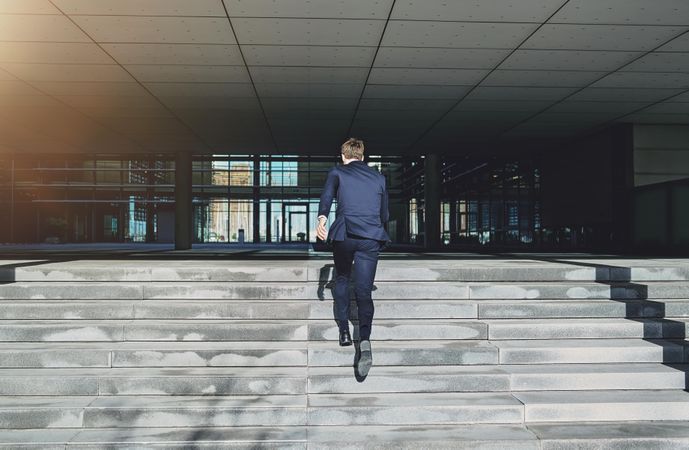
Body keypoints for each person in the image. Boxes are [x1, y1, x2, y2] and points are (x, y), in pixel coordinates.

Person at [316, 137, 390, 378]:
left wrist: (322, 219)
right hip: (370, 236)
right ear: (363, 155)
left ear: (343, 155)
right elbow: (385, 213)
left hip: (345, 233)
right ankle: (365, 340)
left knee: (342, 278)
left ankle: (345, 332)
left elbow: (326, 197)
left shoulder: (338, 172)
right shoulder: (379, 177)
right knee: (364, 292)